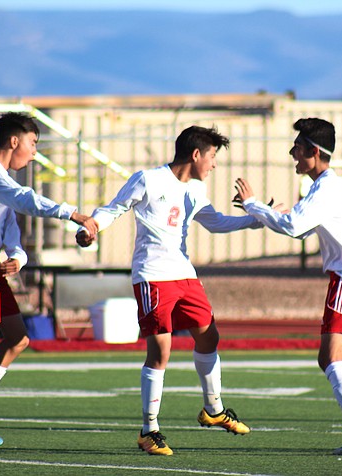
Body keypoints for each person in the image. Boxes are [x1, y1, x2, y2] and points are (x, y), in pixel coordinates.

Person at [76, 125, 258, 456]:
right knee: (161, 351)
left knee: (209, 336)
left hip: (184, 275)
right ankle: (149, 431)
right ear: (196, 154)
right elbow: (114, 207)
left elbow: (215, 222)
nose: (214, 165)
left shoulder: (196, 189)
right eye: (213, 156)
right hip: (153, 276)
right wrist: (92, 228)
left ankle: (213, 410)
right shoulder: (148, 179)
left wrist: (256, 218)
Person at [233, 117, 342, 455]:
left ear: (314, 152)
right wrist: (266, 213)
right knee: (330, 359)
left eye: (297, 148)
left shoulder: (326, 188)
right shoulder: (326, 186)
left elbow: (295, 226)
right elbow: (297, 225)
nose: (292, 153)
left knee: (331, 359)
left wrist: (254, 206)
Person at [0, 112, 98, 450]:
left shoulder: (2, 180)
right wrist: (72, 212)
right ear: (14, 141)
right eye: (32, 144)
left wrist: (20, 257)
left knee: (17, 340)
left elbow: (11, 227)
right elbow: (25, 200)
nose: (33, 153)